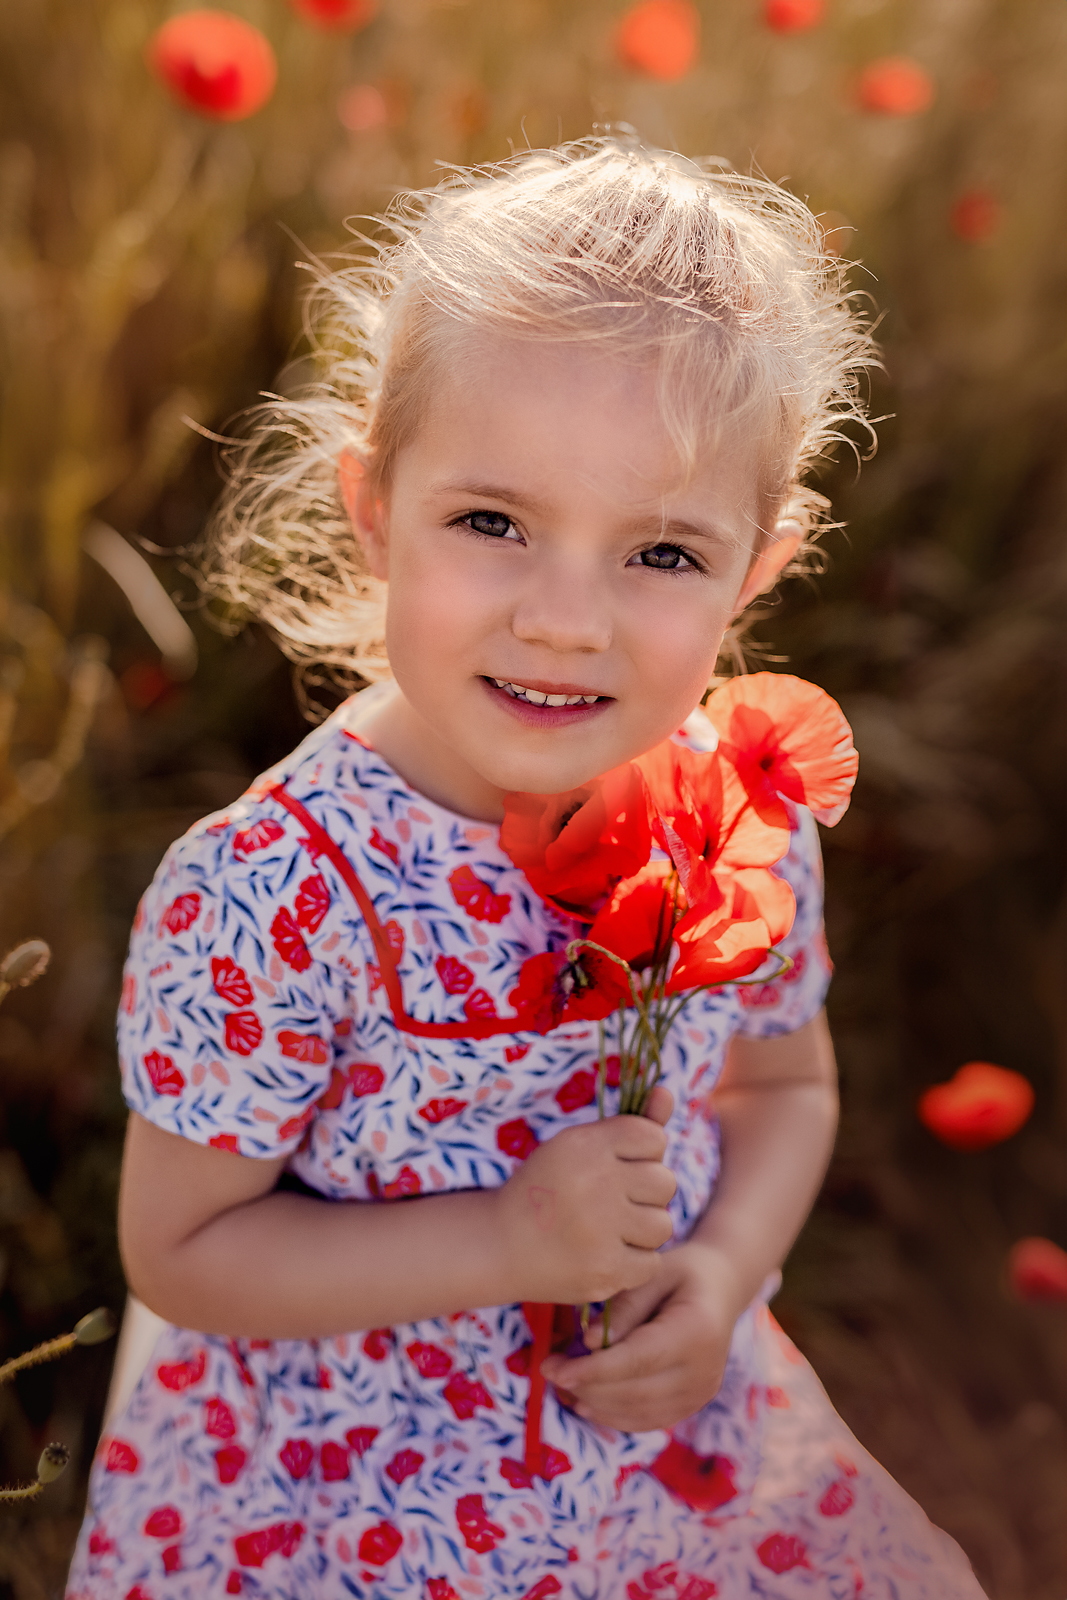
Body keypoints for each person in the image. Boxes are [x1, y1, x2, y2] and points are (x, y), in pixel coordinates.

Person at [67, 139, 987, 1600]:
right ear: (376, 506)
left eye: (663, 552)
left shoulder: (730, 811)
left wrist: (726, 1269)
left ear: (760, 568)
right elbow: (181, 1253)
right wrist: (505, 1239)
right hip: (345, 1499)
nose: (567, 620)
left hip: (654, 1455)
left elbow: (782, 1086)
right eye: (493, 523)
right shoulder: (276, 888)